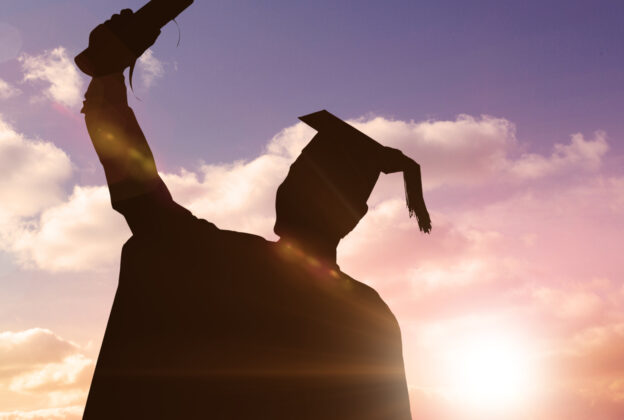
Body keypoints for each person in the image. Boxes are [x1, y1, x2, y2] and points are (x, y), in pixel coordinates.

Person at [80, 10, 430, 420]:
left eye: (300, 178)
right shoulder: (372, 315)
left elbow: (140, 197)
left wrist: (107, 78)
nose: (286, 185)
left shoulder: (231, 265)